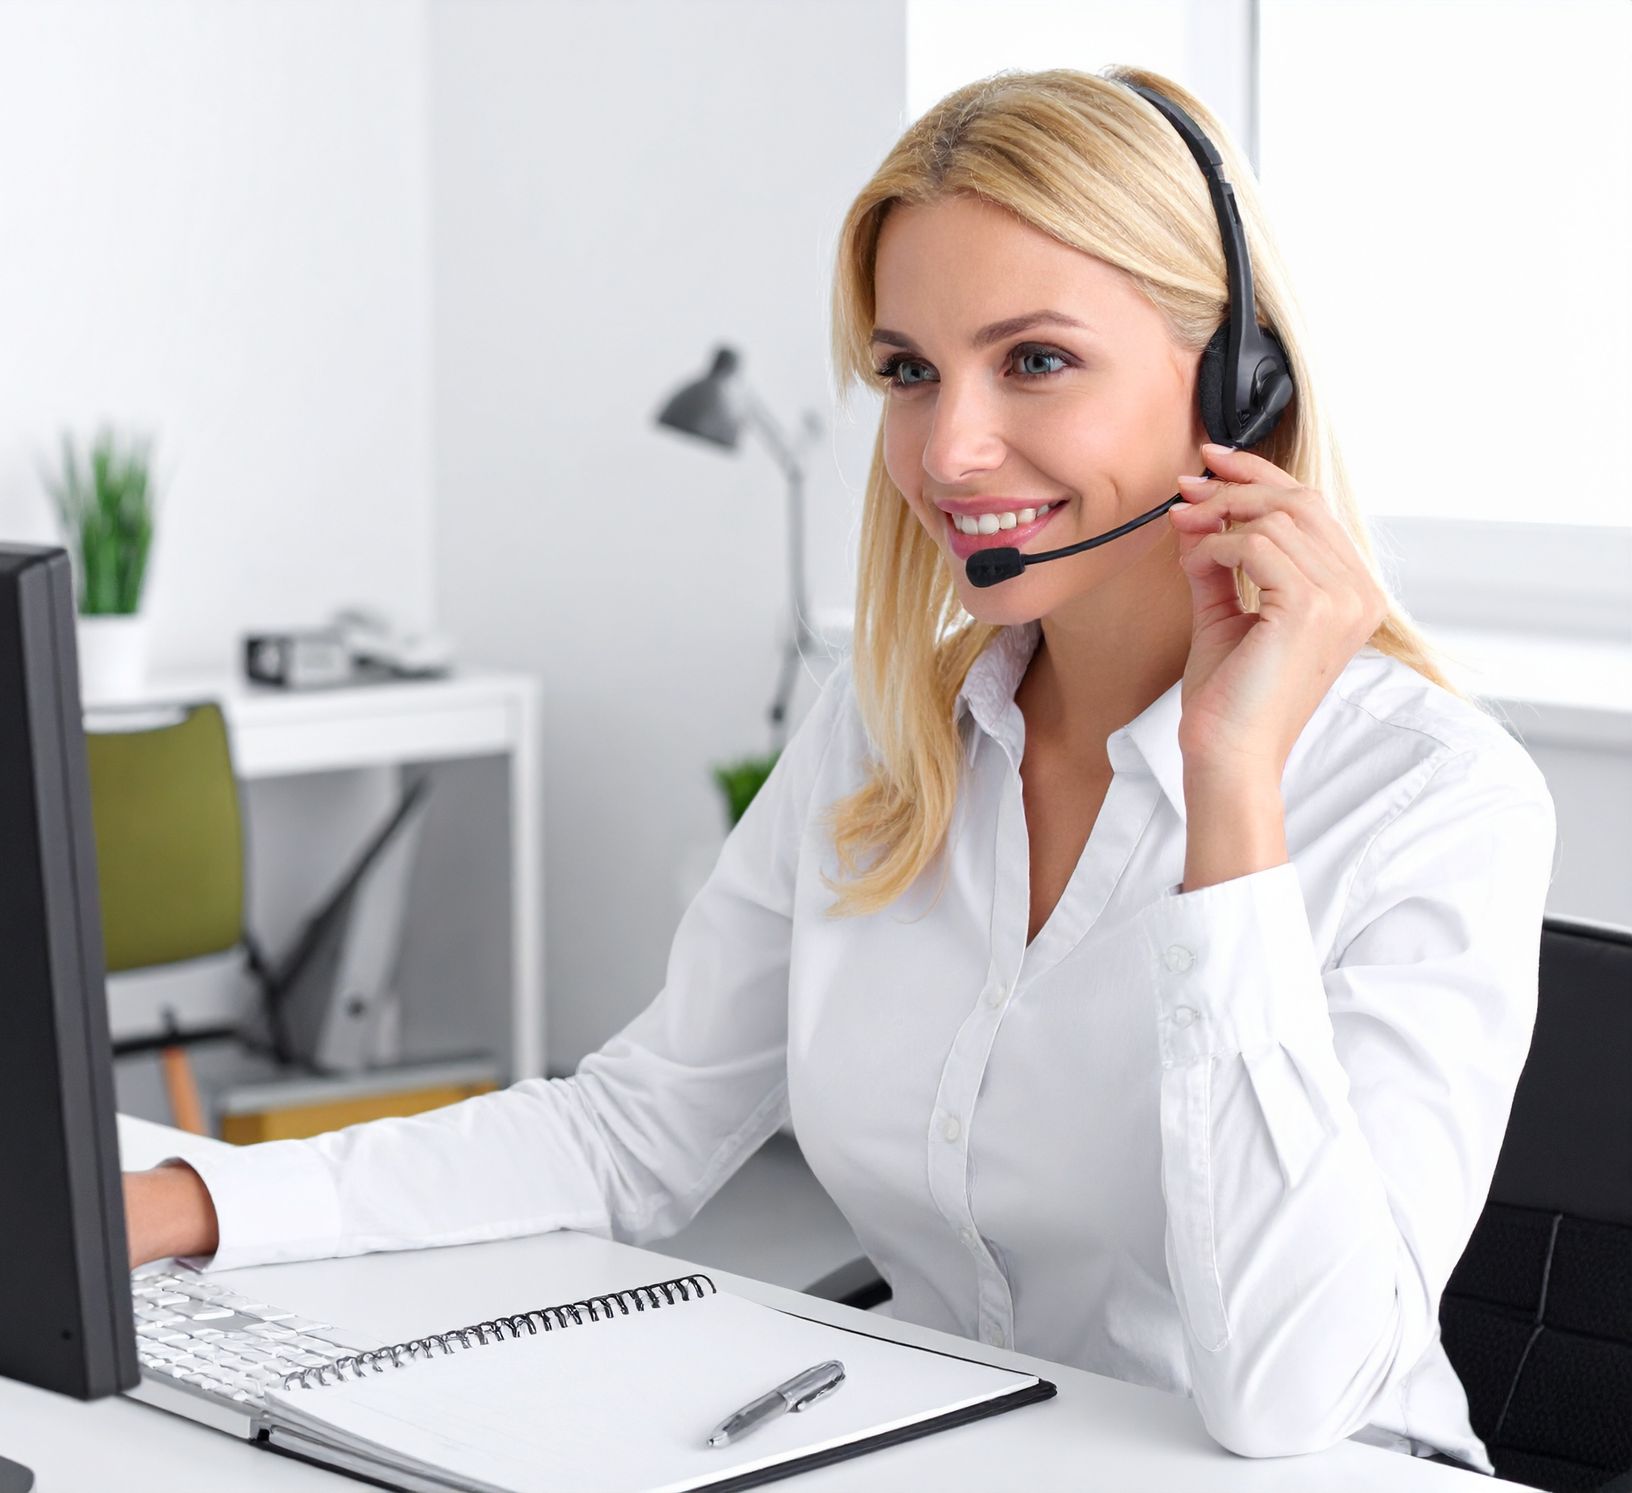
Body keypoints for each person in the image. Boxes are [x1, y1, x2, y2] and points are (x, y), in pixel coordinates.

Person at [124, 66, 1555, 1472]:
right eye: (909, 372)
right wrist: (187, 1200)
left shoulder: (1433, 802)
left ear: (1237, 390)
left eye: (1036, 360)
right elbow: (630, 1132)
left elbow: (1293, 1401)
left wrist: (1230, 788)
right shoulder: (889, 735)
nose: (949, 447)